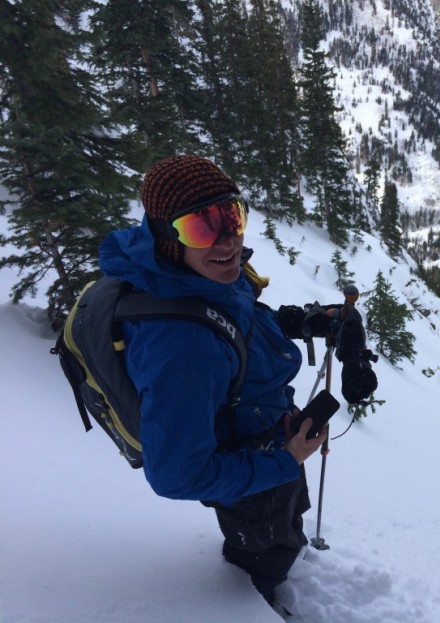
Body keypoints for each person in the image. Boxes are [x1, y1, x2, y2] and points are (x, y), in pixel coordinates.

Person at [98, 154, 375, 607]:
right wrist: (286, 460)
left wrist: (301, 322)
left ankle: (279, 561)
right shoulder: (180, 347)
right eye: (201, 227)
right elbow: (177, 476)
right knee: (265, 552)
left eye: (232, 216)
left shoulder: (196, 275)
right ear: (167, 237)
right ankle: (256, 603)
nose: (227, 240)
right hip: (248, 471)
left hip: (270, 436)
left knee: (286, 522)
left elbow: (236, 323)